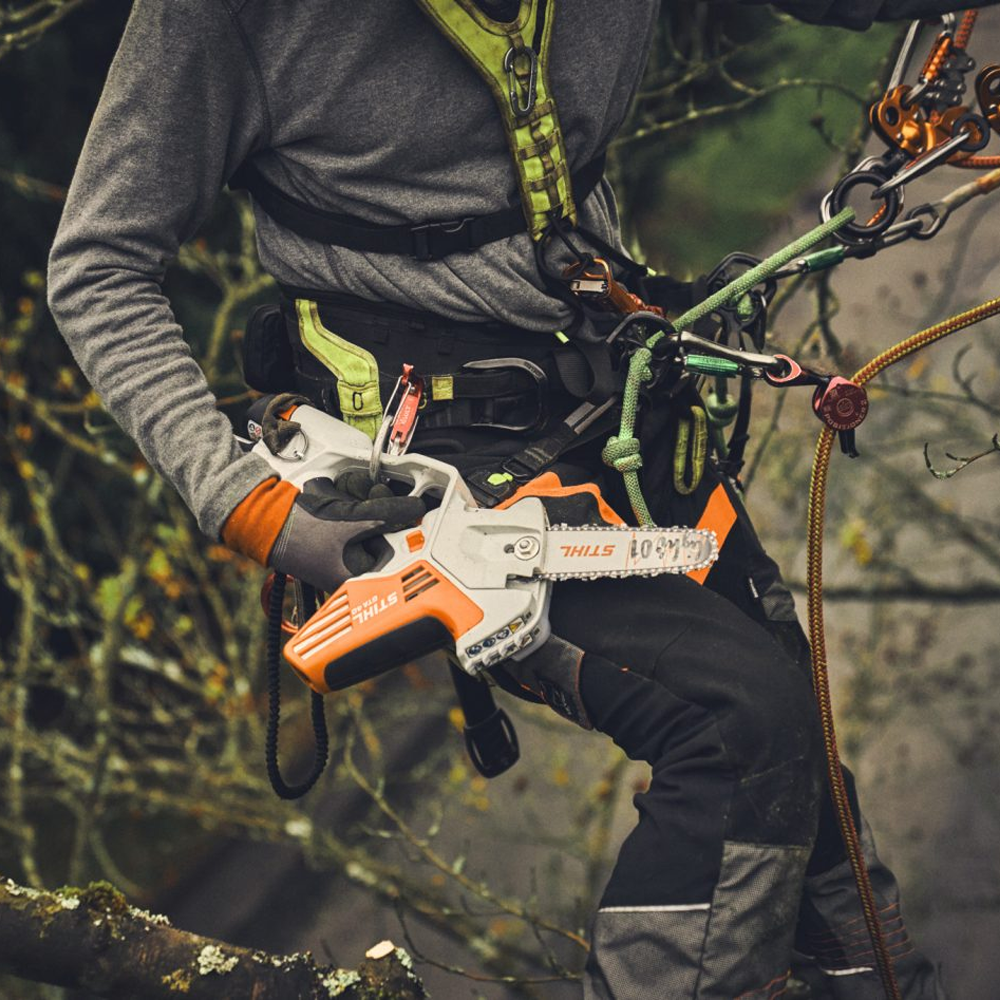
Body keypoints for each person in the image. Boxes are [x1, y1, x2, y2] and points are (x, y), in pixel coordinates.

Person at [47, 1, 995, 996]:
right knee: (734, 720)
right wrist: (258, 510)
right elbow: (99, 265)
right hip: (423, 473)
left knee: (791, 738)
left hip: (613, 399)